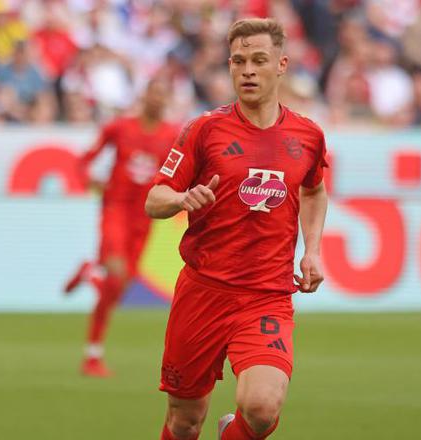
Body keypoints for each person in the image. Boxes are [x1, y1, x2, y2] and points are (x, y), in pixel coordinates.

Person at [145, 18, 329, 440]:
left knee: (262, 408)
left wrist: (313, 250)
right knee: (185, 422)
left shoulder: (307, 135)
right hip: (203, 292)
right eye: (238, 61)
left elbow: (315, 190)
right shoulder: (204, 130)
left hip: (266, 295)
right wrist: (181, 198)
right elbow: (154, 198)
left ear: (281, 65)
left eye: (259, 60)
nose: (247, 71)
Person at [63, 77, 178, 377]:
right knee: (115, 273)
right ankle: (92, 355)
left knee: (119, 287)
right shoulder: (120, 128)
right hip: (116, 210)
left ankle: (90, 276)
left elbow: (180, 174)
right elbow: (85, 159)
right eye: (154, 93)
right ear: (144, 95)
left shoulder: (172, 135)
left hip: (145, 218)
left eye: (163, 94)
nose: (157, 99)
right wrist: (89, 179)